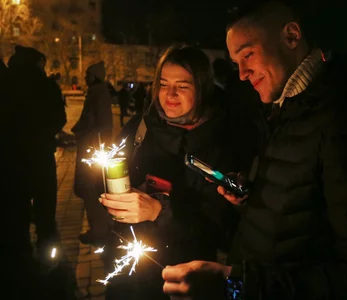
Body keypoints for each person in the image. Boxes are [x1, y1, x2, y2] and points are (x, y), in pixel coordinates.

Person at [162, 1, 347, 299]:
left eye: (248, 54)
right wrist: (251, 198)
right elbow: (300, 212)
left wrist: (234, 284)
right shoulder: (287, 107)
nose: (241, 73)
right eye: (235, 62)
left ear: (291, 36)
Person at [99, 44, 254, 300]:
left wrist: (159, 210)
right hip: (127, 272)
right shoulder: (140, 128)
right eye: (163, 84)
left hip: (183, 279)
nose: (170, 94)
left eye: (182, 86)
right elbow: (107, 175)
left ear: (203, 89)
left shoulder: (221, 143)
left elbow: (219, 227)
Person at [2, 45, 67, 271]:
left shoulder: (6, 83)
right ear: (37, 62)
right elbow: (59, 117)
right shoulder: (44, 85)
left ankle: (19, 258)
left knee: (15, 208)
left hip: (10, 159)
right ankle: (48, 258)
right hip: (40, 156)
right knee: (45, 210)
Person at [72, 61, 113, 246]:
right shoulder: (99, 92)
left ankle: (99, 230)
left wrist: (77, 131)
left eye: (88, 75)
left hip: (93, 147)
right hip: (96, 146)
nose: (85, 78)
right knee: (94, 188)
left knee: (91, 189)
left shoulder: (97, 93)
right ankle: (100, 228)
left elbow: (88, 119)